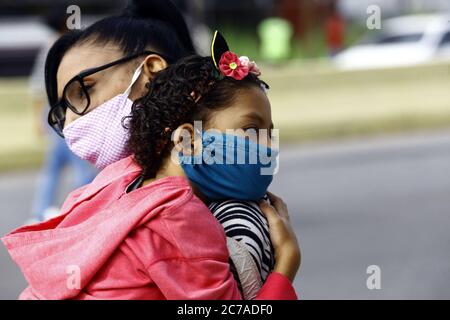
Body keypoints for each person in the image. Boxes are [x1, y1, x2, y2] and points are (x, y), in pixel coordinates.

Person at [2, 46, 300, 300]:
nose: (267, 146)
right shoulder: (180, 217)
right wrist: (286, 262)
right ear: (186, 141)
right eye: (251, 130)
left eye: (269, 133)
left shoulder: (121, 177)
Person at [28, 4, 97, 223]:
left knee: (54, 165)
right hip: (63, 111)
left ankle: (41, 211)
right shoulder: (64, 48)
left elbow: (37, 87)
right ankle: (80, 210)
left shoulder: (57, 45)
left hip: (56, 111)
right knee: (80, 164)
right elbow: (41, 85)